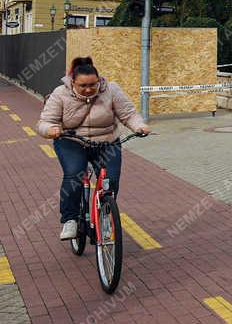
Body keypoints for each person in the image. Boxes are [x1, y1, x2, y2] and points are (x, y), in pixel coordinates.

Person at [36, 57, 149, 241]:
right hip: (72, 141)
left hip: (106, 142)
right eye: (83, 86)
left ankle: (105, 217)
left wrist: (139, 126)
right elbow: (45, 121)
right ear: (73, 82)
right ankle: (70, 219)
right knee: (74, 174)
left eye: (93, 85)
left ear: (99, 81)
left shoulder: (111, 89)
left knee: (110, 181)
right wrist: (51, 130)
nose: (88, 89)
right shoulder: (60, 93)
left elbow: (128, 114)